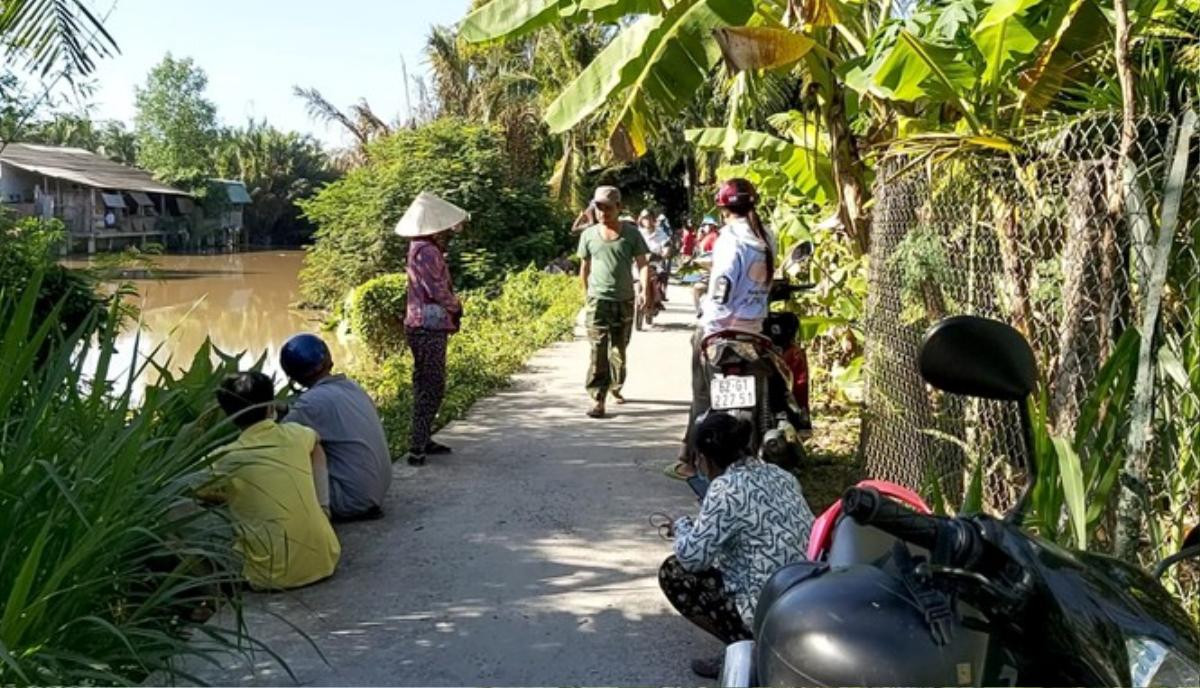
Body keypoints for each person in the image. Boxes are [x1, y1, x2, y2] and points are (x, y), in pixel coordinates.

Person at [659, 413, 814, 678]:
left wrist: (683, 527)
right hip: (807, 600)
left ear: (704, 459)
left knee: (674, 572)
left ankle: (743, 648)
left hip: (767, 611)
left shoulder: (724, 489)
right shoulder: (781, 475)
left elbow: (693, 557)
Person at [669, 180, 776, 479]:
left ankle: (690, 460)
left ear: (724, 208)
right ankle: (752, 463)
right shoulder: (766, 236)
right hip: (753, 332)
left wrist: (708, 321)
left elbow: (722, 288)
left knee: (703, 396)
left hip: (718, 331)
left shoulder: (729, 238)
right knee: (756, 400)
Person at [201, 371, 341, 591]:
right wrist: (322, 504)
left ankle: (208, 594)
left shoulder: (225, 457)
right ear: (270, 407)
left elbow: (193, 489)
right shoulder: (296, 435)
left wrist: (230, 495)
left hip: (269, 576)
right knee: (316, 449)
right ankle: (321, 515)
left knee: (187, 511)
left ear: (228, 416)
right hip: (325, 559)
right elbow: (316, 441)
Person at [394, 191, 469, 465]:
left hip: (421, 323)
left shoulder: (420, 247)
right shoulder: (426, 251)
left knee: (424, 381)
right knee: (432, 384)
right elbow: (437, 289)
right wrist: (456, 306)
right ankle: (417, 443)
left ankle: (422, 438)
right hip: (429, 325)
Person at [281, 334, 392, 519]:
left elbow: (277, 440)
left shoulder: (310, 403)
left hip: (352, 500)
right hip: (377, 489)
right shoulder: (351, 386)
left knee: (290, 458)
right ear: (329, 360)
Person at [578, 186, 651, 418]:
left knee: (619, 348)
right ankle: (598, 398)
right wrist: (586, 294)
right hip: (598, 300)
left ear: (619, 207)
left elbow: (643, 264)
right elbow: (584, 268)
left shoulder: (631, 234)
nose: (603, 212)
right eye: (598, 208)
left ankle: (615, 386)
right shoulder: (588, 235)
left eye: (608, 208)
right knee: (598, 349)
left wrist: (644, 291)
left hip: (624, 300)